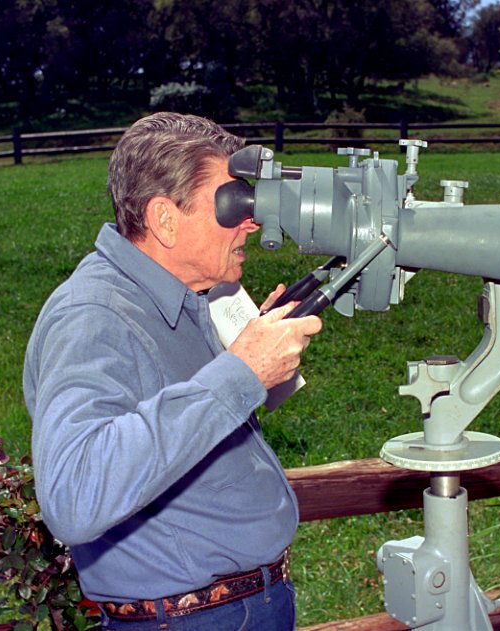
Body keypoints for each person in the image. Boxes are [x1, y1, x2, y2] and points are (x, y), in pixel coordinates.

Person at [23, 112, 322, 630]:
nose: (250, 222)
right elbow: (74, 494)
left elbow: (187, 416)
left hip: (240, 607)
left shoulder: (184, 297)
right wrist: (240, 371)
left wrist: (250, 354)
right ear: (164, 219)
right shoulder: (94, 315)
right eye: (233, 205)